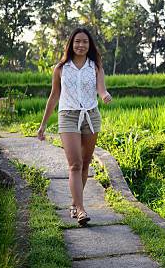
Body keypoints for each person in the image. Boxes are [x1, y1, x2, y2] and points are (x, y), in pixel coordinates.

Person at [37, 27, 112, 226]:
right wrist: (43, 125)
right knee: (75, 164)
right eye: (77, 41)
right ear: (71, 44)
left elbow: (101, 89)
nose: (81, 45)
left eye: (85, 42)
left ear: (90, 45)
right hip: (68, 116)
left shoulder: (95, 67)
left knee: (85, 164)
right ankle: (80, 209)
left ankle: (74, 203)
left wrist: (105, 96)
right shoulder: (61, 68)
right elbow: (54, 96)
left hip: (91, 116)